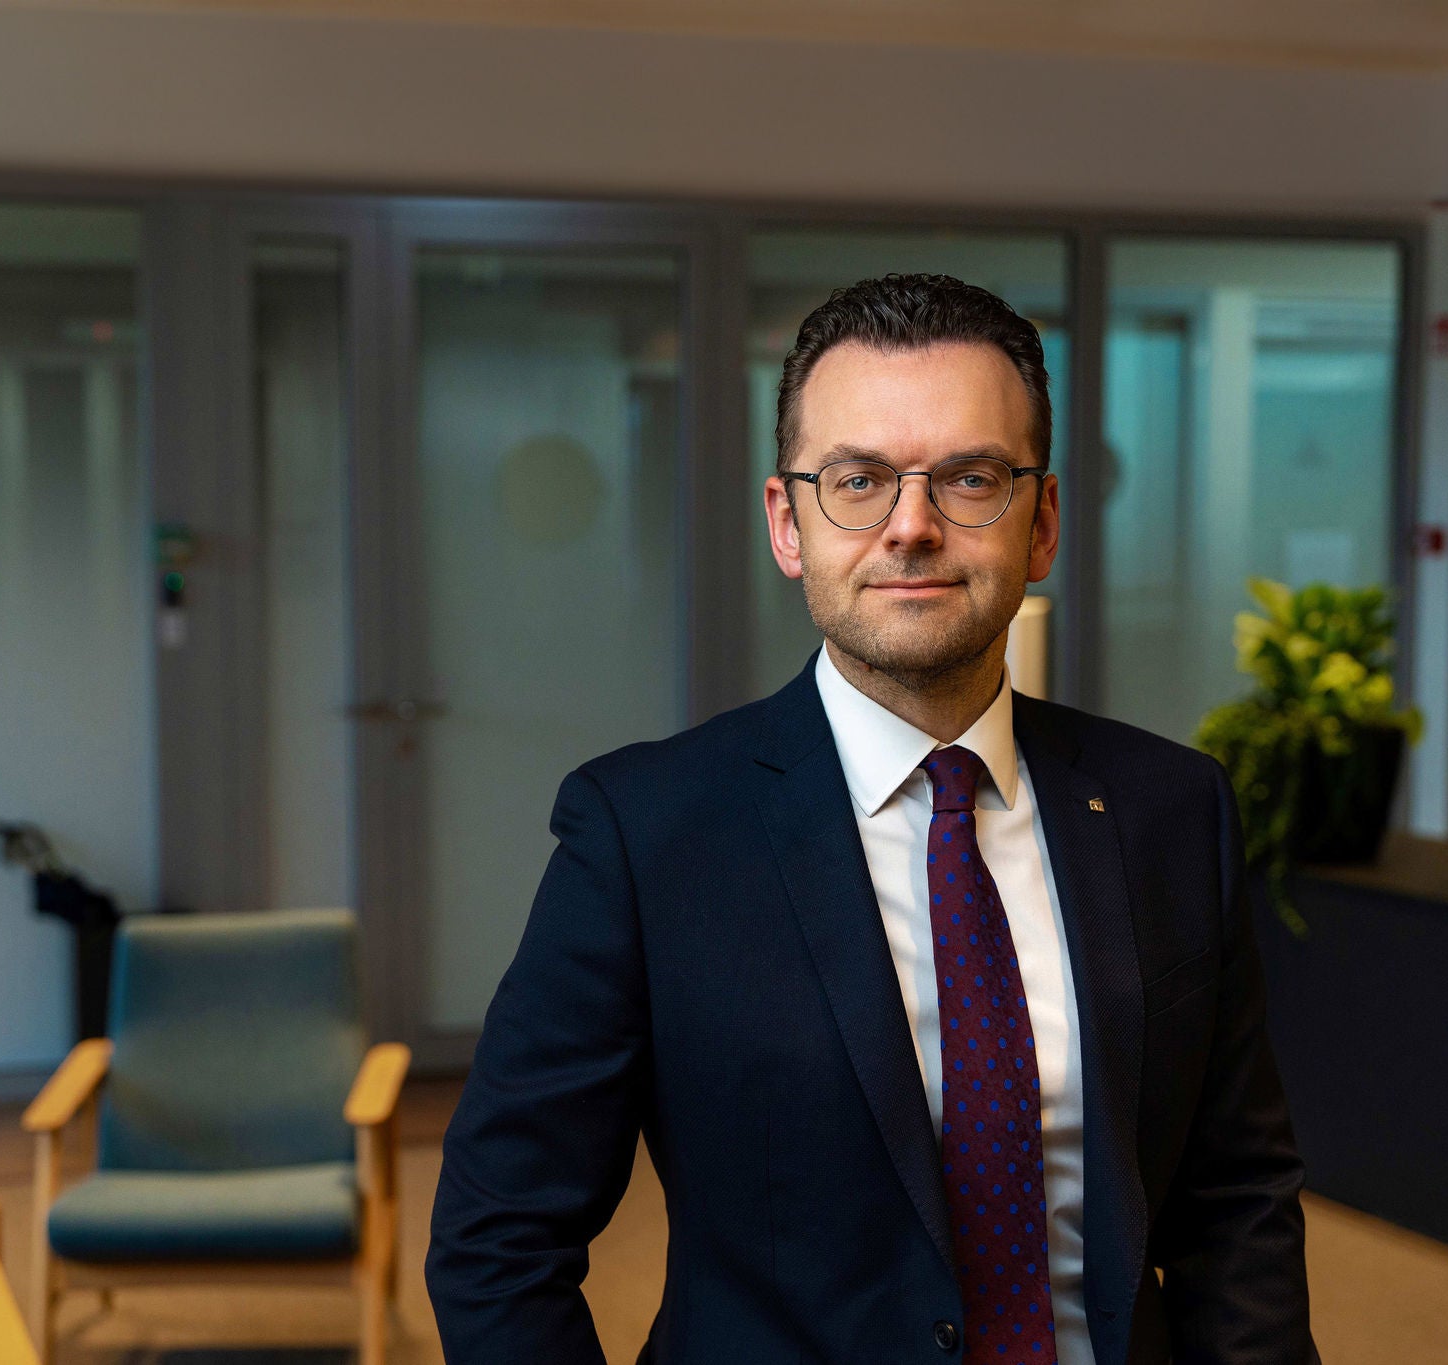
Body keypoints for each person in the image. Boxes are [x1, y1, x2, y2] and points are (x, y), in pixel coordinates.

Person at [426, 274, 1317, 1365]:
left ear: (1041, 523)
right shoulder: (647, 836)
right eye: (857, 481)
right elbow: (498, 1237)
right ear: (786, 523)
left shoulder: (1170, 809)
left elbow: (1235, 1201)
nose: (911, 527)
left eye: (970, 479)